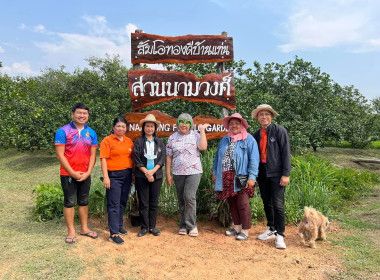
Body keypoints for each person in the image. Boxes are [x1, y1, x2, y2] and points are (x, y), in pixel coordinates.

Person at [55, 103, 98, 244]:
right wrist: (72, 172)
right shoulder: (63, 131)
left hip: (85, 174)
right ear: (72, 114)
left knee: (84, 201)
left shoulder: (91, 133)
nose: (82, 116)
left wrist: (88, 172)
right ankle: (71, 231)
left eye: (85, 113)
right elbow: (60, 155)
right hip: (68, 174)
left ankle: (84, 228)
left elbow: (93, 155)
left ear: (88, 116)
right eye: (79, 113)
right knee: (69, 202)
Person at [212, 113, 259, 241]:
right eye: (231, 123)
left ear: (242, 125)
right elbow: (217, 158)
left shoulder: (249, 140)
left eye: (237, 123)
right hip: (226, 176)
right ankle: (237, 227)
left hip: (242, 176)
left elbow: (254, 159)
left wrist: (252, 177)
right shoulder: (225, 139)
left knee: (243, 203)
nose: (234, 126)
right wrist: (215, 173)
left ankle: (245, 230)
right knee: (232, 203)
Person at [252, 104, 291, 249]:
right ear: (257, 117)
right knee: (266, 201)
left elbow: (286, 153)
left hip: (277, 172)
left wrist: (285, 174)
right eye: (261, 114)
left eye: (267, 114)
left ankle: (280, 234)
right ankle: (271, 228)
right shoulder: (256, 135)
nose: (264, 117)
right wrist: (254, 176)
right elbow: (254, 157)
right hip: (262, 172)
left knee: (278, 204)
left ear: (271, 116)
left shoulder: (280, 131)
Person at [166, 113, 209, 237]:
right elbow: (168, 157)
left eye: (187, 123)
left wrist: (202, 131)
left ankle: (192, 225)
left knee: (189, 197)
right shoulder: (172, 138)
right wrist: (168, 174)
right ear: (178, 123)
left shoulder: (195, 135)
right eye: (181, 122)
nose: (184, 125)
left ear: (190, 125)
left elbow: (203, 147)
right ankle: (183, 225)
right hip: (178, 173)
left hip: (193, 171)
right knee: (181, 199)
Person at [100, 117, 134, 245]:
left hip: (127, 174)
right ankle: (113, 233)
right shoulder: (107, 141)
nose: (121, 129)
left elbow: (131, 158)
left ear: (126, 128)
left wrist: (133, 175)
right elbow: (103, 159)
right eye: (118, 126)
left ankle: (119, 225)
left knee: (122, 202)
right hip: (113, 175)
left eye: (123, 126)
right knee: (113, 204)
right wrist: (106, 177)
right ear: (113, 127)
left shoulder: (129, 141)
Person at [133, 114, 166, 237]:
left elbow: (162, 159)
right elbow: (137, 159)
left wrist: (152, 172)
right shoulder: (139, 142)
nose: (149, 129)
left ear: (155, 128)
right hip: (142, 176)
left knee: (154, 202)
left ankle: (152, 227)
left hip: (156, 175)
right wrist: (146, 172)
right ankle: (144, 227)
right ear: (143, 127)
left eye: (152, 126)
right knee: (143, 202)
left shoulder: (160, 142)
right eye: (147, 126)